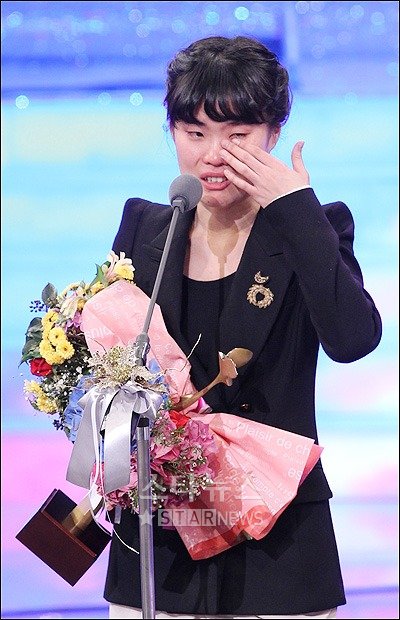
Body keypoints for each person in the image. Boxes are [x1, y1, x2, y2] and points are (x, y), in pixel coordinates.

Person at [103, 36, 382, 619]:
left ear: (273, 134)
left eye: (238, 136)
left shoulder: (314, 227)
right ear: (172, 131)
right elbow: (110, 366)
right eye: (194, 132)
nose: (213, 156)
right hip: (161, 546)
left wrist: (295, 207)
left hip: (277, 542)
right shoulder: (144, 228)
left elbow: (354, 340)